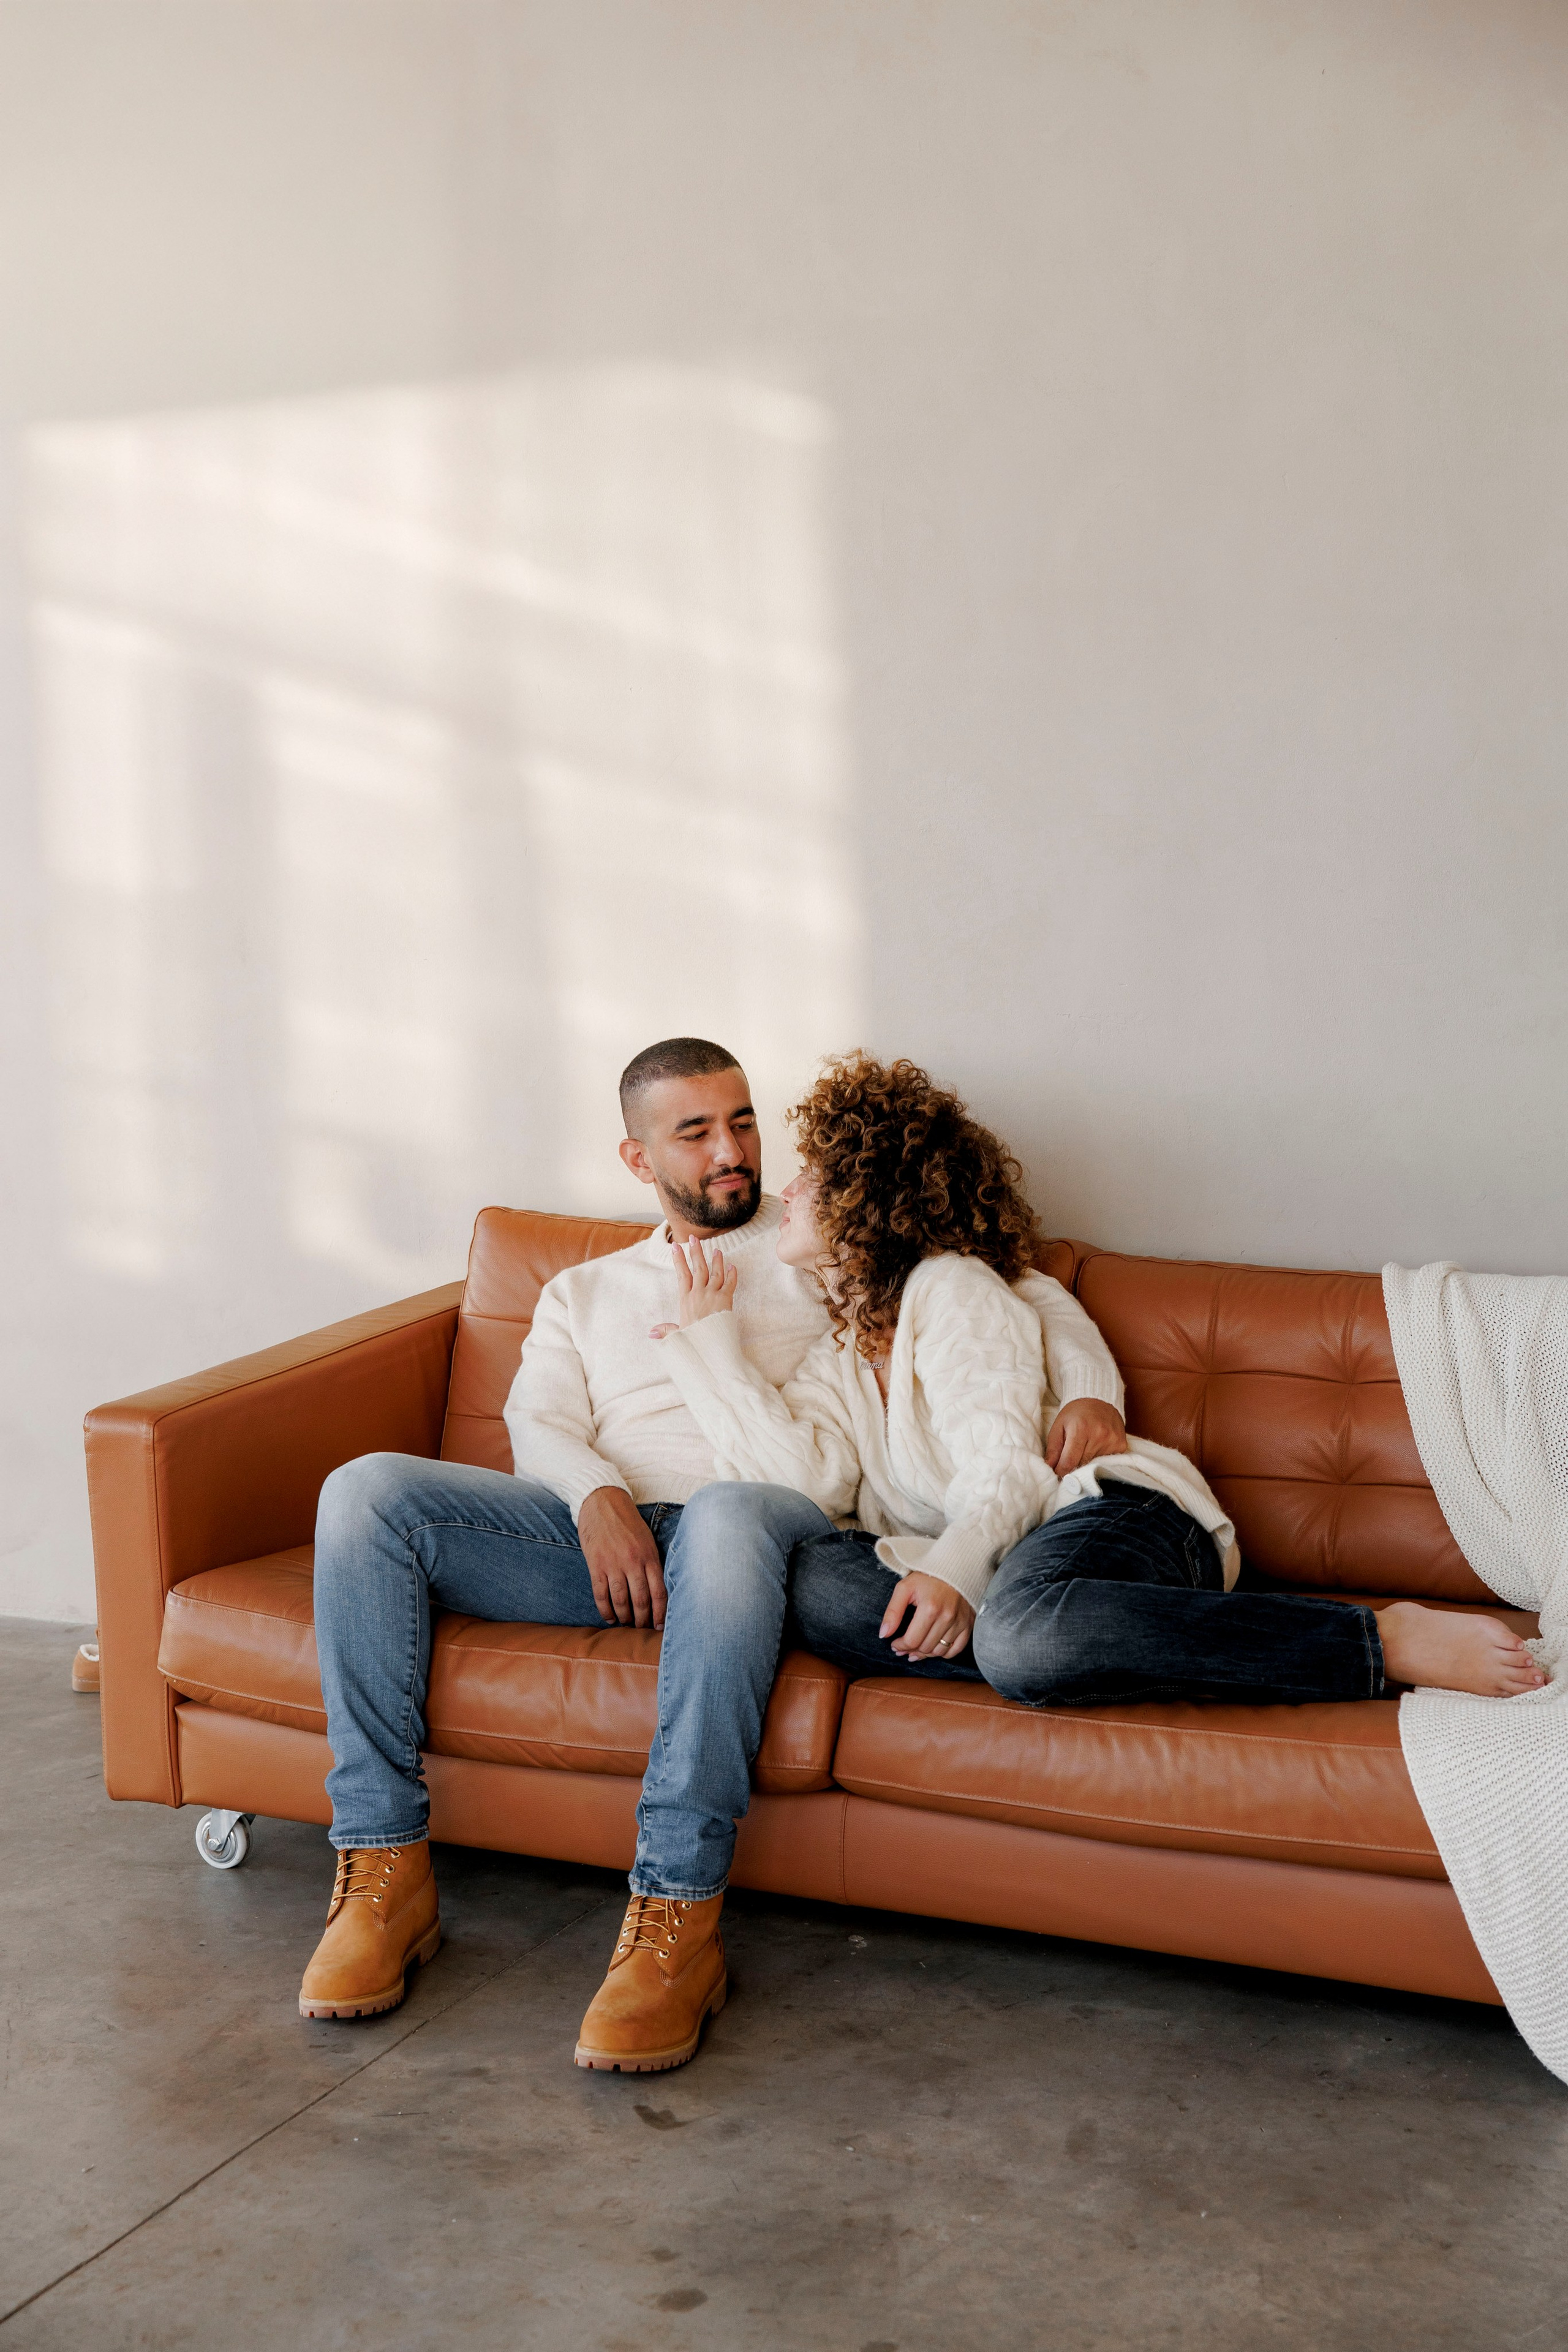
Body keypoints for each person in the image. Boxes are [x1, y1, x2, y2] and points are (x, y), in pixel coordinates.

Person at [654, 1054, 1547, 1717]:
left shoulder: (952, 1288)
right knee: (803, 1580)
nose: (793, 1185)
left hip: (1114, 1516)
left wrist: (961, 1575)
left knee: (1021, 1632)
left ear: (868, 1201)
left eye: (818, 1172)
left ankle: (1377, 1640)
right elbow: (804, 1484)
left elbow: (1014, 1471)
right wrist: (709, 1349)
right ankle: (1077, 1640)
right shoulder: (841, 1355)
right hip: (1018, 1571)